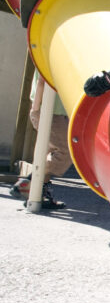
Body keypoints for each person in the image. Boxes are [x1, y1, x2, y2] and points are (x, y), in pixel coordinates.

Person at [11, 73, 71, 209]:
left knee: (49, 152)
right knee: (65, 151)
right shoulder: (49, 55)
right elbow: (41, 81)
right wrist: (37, 111)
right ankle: (30, 179)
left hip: (50, 110)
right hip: (51, 112)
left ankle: (38, 194)